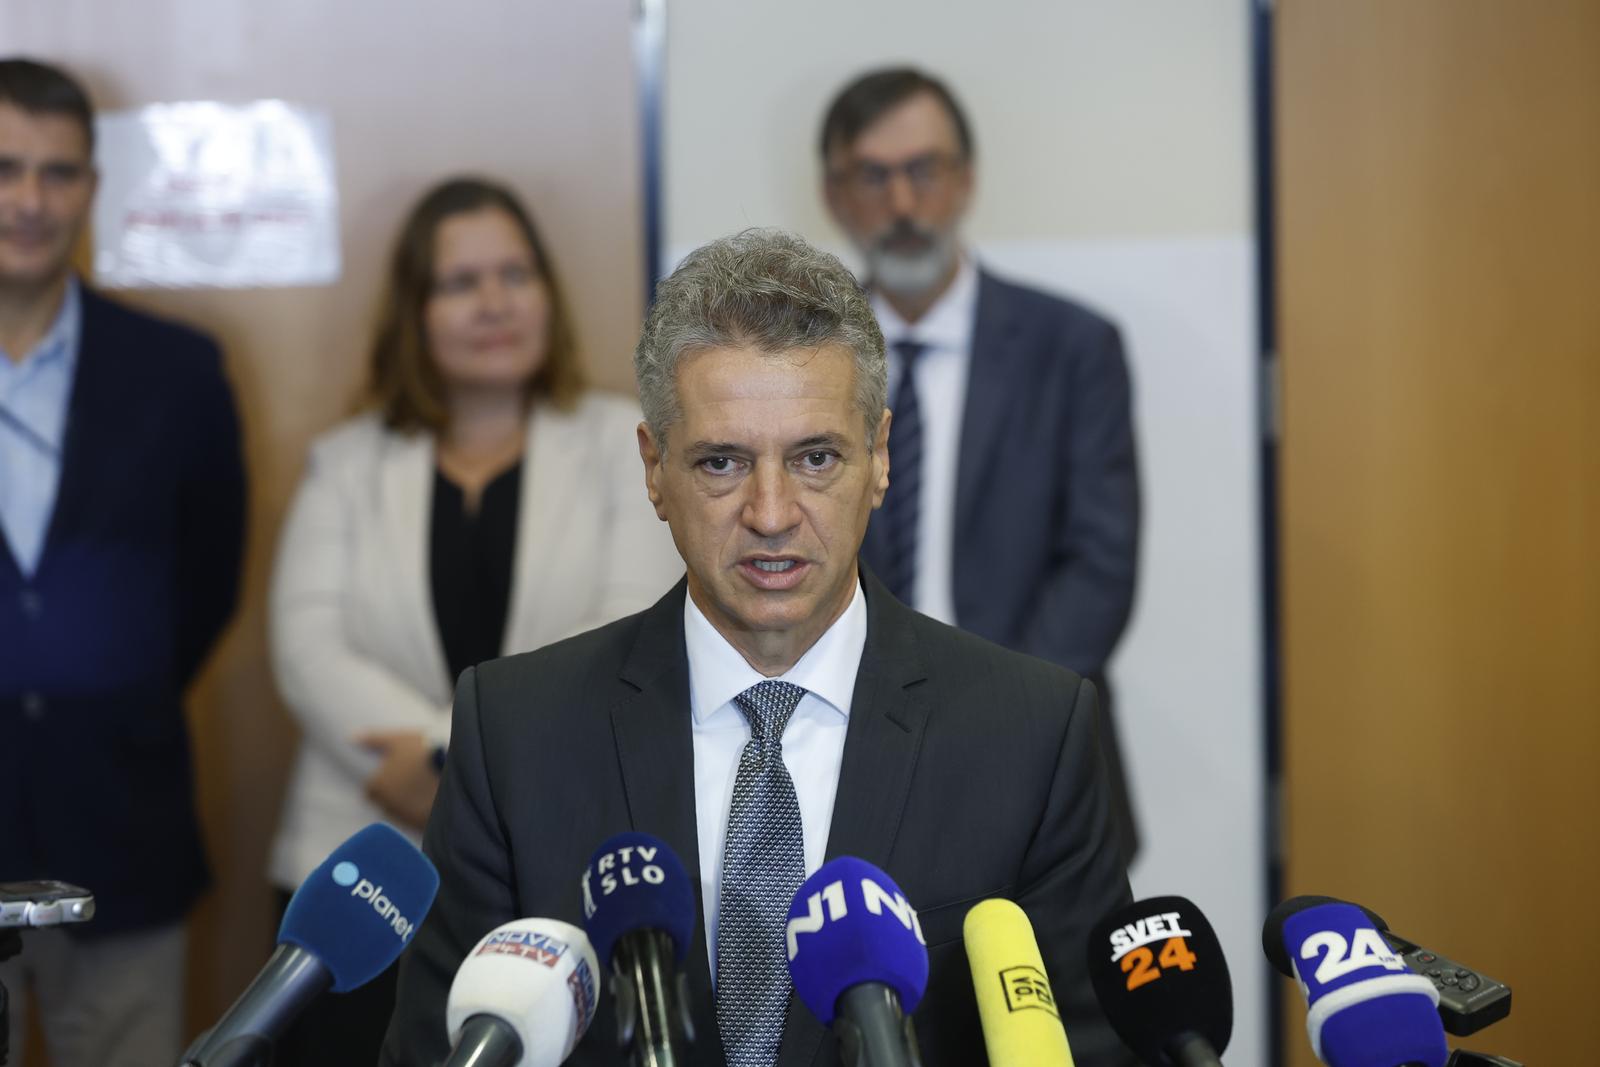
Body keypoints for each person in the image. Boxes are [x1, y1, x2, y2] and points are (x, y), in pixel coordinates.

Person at [381, 229, 1135, 1065]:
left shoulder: (1031, 733)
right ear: (654, 468)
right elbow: (435, 1051)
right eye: (721, 463)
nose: (771, 512)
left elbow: (1094, 1047)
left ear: (880, 459)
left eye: (816, 458)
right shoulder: (515, 731)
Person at [267, 177, 681, 1063]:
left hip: (554, 844)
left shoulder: (626, 444)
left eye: (515, 274)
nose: (493, 302)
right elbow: (308, 645)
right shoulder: (345, 461)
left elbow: (623, 630)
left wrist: (450, 761)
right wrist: (444, 758)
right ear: (414, 310)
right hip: (358, 855)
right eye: (459, 283)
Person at [820, 68, 1143, 862]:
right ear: (834, 196)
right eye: (874, 175)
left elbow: (1100, 565)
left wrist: (996, 717)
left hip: (1042, 746)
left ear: (965, 180)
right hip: (850, 753)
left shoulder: (1072, 346)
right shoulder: (807, 363)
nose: (903, 204)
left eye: (924, 170)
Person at [0, 58, 246, 1067]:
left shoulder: (176, 371)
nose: (29, 199)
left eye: (58, 172)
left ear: (92, 190)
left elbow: (206, 579)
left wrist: (101, 676)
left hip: (121, 825)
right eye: (5, 166)